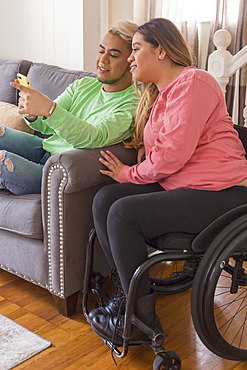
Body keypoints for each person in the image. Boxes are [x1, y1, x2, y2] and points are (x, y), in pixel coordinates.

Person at [88, 18, 247, 346]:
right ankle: (126, 296)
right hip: (184, 186)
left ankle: (138, 320)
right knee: (105, 199)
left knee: (122, 213)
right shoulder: (162, 96)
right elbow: (163, 155)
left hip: (225, 195)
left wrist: (129, 174)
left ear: (161, 50)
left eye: (135, 48)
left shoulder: (194, 82)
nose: (130, 58)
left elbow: (171, 156)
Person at [0, 20, 138, 195]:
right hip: (44, 148)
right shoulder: (83, 85)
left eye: (114, 55)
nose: (102, 60)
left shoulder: (132, 105)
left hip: (58, 172)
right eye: (101, 51)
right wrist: (33, 113)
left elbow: (92, 138)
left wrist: (49, 109)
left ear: (131, 61)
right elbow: (46, 125)